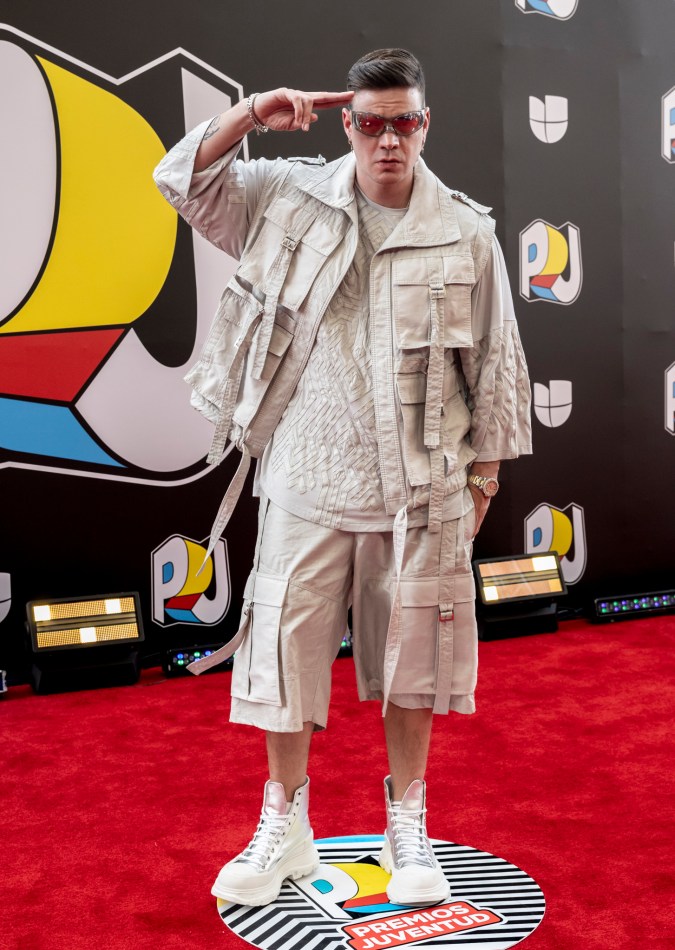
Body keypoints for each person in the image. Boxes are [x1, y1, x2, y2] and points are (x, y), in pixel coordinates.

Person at [154, 48, 531, 908]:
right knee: (283, 658)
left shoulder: (466, 230)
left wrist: (482, 485)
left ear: (425, 124)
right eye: (369, 124)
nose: (386, 141)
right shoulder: (287, 195)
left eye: (403, 121)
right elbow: (180, 180)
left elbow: (499, 362)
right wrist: (252, 114)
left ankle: (410, 823)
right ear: (349, 125)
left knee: (415, 664)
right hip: (304, 475)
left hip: (422, 484)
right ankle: (284, 824)